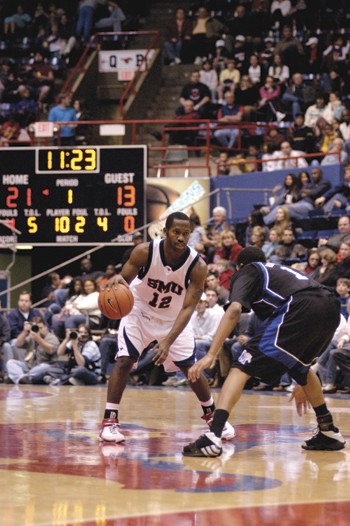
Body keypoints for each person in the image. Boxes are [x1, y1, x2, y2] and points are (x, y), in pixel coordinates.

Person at [183, 247, 345, 457]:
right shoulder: (280, 271)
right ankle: (328, 430)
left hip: (301, 306)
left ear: (239, 266)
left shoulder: (248, 271)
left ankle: (213, 436)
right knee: (300, 369)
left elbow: (234, 310)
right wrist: (303, 374)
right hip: (330, 307)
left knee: (241, 365)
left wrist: (211, 353)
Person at [99, 212, 235, 443]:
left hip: (173, 318)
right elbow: (124, 280)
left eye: (186, 234)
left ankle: (212, 416)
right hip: (139, 313)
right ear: (165, 232)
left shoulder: (197, 266)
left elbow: (188, 307)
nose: (181, 238)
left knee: (190, 368)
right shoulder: (144, 251)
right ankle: (109, 421)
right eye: (176, 232)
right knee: (124, 360)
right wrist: (116, 283)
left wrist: (168, 341)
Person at [6, 316, 59, 384]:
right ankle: (23, 378)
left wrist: (38, 339)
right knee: (11, 362)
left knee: (45, 367)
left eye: (40, 328)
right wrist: (25, 331)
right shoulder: (31, 337)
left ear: (45, 327)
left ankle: (18, 377)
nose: (38, 330)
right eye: (36, 328)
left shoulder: (51, 337)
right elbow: (18, 344)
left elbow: (50, 350)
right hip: (30, 366)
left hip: (45, 367)